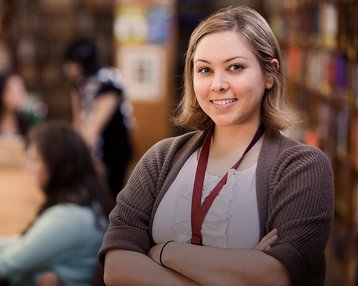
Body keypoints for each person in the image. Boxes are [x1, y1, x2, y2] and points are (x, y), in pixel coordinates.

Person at [98, 5, 334, 286]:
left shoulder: (303, 167)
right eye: (205, 70)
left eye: (235, 67)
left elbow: (275, 276)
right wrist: (239, 270)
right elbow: (116, 267)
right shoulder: (161, 158)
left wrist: (163, 252)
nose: (218, 84)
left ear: (270, 74)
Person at [0, 121, 113, 286]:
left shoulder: (68, 219)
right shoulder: (87, 200)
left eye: (34, 160)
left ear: (58, 165)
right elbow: (24, 242)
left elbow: (6, 264)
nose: (28, 167)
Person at [62, 39, 134, 198]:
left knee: (108, 198)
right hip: (92, 150)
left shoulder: (108, 82)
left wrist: (88, 158)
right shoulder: (79, 84)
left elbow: (93, 129)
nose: (66, 68)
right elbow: (78, 122)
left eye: (69, 63)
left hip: (112, 151)